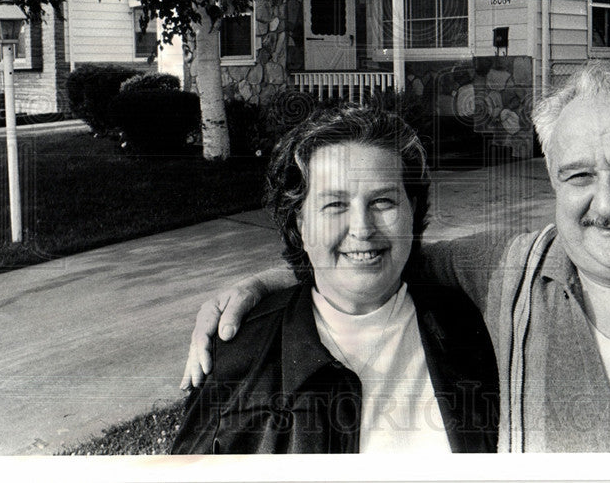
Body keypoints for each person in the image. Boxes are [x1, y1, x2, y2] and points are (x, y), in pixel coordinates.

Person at [182, 65, 610, 453]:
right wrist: (276, 278)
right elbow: (375, 258)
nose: (607, 203)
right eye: (578, 176)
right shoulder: (513, 275)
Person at [172, 105, 498, 454]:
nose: (362, 228)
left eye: (383, 201)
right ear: (301, 224)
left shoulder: (471, 329)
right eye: (335, 205)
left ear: (412, 210)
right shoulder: (241, 357)